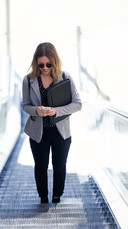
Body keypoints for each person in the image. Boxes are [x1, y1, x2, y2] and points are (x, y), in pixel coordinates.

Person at [22, 42, 82, 204]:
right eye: (41, 64)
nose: (45, 68)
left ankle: (57, 196)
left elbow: (78, 104)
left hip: (60, 131)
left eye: (48, 64)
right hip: (38, 132)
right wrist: (36, 110)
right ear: (36, 62)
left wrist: (57, 110)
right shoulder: (28, 80)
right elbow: (25, 106)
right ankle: (43, 197)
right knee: (40, 166)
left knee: (60, 166)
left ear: (54, 62)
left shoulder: (65, 77)